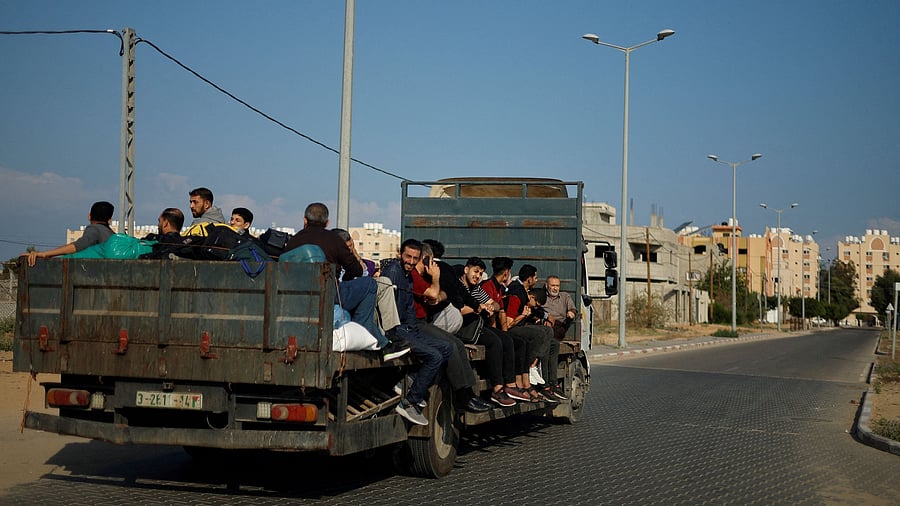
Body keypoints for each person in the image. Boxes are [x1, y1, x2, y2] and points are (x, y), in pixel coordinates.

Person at [282, 203, 408, 362]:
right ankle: (364, 325)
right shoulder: (333, 239)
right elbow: (357, 271)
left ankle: (372, 333)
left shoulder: (293, 241)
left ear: (305, 220)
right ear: (327, 223)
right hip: (328, 293)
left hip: (299, 296)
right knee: (370, 284)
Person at [410, 243, 492, 413]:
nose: (434, 266)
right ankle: (462, 396)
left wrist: (438, 295)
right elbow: (433, 293)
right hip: (414, 325)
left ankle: (469, 393)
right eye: (432, 261)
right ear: (426, 260)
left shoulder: (422, 277)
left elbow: (441, 294)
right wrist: (435, 279)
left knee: (458, 344)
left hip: (422, 322)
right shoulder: (414, 276)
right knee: (450, 346)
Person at [382, 239, 455, 425]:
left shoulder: (408, 276)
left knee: (447, 347)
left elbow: (409, 311)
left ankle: (411, 382)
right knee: (435, 357)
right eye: (408, 256)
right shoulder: (393, 272)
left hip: (408, 329)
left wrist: (415, 334)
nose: (411, 261)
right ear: (401, 254)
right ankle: (409, 402)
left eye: (415, 258)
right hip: (395, 331)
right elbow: (390, 311)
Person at [457, 257, 517, 407]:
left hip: (476, 324)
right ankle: (497, 389)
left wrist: (491, 307)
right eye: (475, 271)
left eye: (480, 273)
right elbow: (457, 308)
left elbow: (495, 304)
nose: (477, 276)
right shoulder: (459, 286)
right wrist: (478, 308)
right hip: (463, 327)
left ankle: (510, 385)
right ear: (466, 270)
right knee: (494, 342)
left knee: (507, 339)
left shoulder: (476, 288)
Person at [507, 265, 565, 401]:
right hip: (514, 328)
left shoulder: (524, 290)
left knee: (552, 342)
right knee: (541, 334)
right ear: (529, 278)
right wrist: (524, 315)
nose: (536, 280)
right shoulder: (517, 290)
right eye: (535, 277)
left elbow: (534, 308)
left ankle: (550, 384)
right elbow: (510, 322)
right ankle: (531, 366)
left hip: (521, 325)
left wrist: (544, 316)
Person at [24, 201, 114, 267]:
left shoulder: (94, 229)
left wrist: (45, 254)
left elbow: (78, 246)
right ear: (109, 220)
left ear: (89, 216)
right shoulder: (112, 235)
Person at [543, 275, 577, 341]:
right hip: (545, 324)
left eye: (557, 286)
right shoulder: (542, 296)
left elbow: (573, 309)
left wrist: (571, 312)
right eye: (553, 285)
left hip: (558, 325)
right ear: (546, 286)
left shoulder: (565, 296)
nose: (555, 288)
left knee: (558, 332)